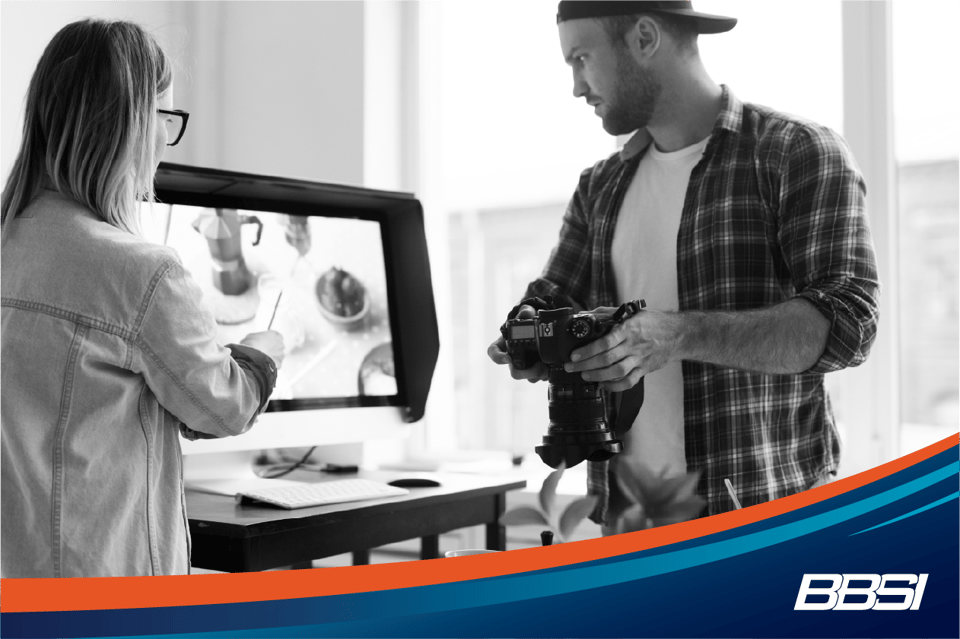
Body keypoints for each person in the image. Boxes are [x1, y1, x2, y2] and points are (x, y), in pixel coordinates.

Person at [488, 0, 880, 530]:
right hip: (627, 527)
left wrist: (678, 334)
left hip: (761, 523)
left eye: (581, 58)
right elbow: (553, 296)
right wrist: (530, 336)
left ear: (645, 38)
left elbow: (849, 323)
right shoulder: (600, 187)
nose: (577, 87)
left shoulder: (796, 153)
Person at [0, 19, 285, 577]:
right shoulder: (139, 271)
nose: (167, 142)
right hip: (99, 589)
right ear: (128, 124)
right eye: (167, 118)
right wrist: (260, 351)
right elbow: (221, 407)